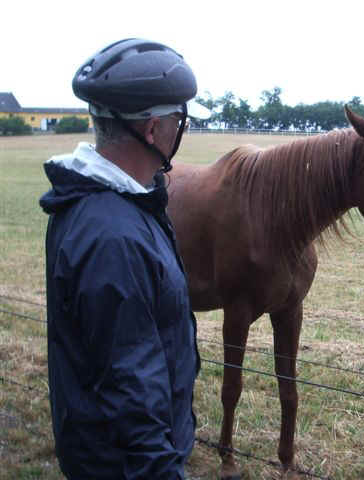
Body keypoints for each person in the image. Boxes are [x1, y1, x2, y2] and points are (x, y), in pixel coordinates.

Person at [39, 38, 210, 479]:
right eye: (180, 118)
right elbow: (130, 387)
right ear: (153, 130)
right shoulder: (113, 236)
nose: (183, 129)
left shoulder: (117, 204)